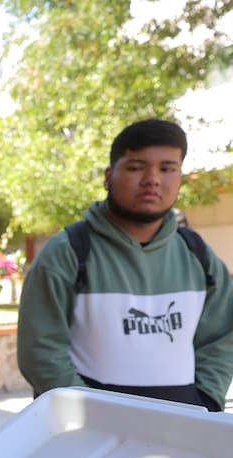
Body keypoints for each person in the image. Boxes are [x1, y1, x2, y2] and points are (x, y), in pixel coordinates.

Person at [17, 119, 233, 411]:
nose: (152, 180)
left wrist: (205, 401)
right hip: (93, 436)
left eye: (167, 168)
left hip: (183, 434)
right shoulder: (67, 252)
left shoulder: (198, 254)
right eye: (135, 167)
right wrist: (95, 417)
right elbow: (41, 352)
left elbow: (221, 340)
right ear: (108, 176)